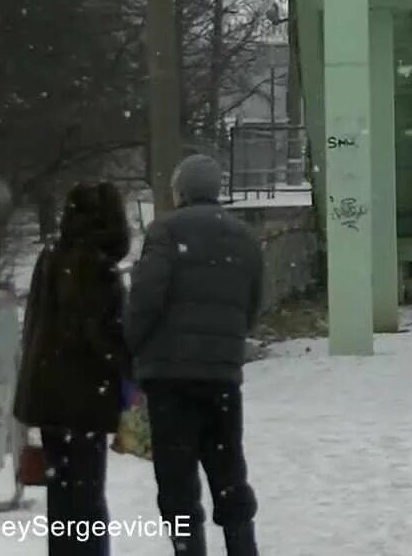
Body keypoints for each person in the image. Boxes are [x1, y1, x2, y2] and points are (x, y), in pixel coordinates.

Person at [126, 154, 264, 556]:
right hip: (221, 378)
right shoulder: (244, 235)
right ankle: (242, 547)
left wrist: (133, 347)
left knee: (177, 480)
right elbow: (253, 303)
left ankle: (189, 549)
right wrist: (227, 344)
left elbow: (146, 299)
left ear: (181, 190)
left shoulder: (165, 230)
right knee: (228, 472)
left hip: (170, 380)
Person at [14, 182, 132, 556]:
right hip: (84, 398)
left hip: (49, 395)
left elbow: (34, 322)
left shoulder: (51, 256)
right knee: (87, 497)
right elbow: (101, 334)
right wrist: (129, 367)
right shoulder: (96, 266)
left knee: (62, 497)